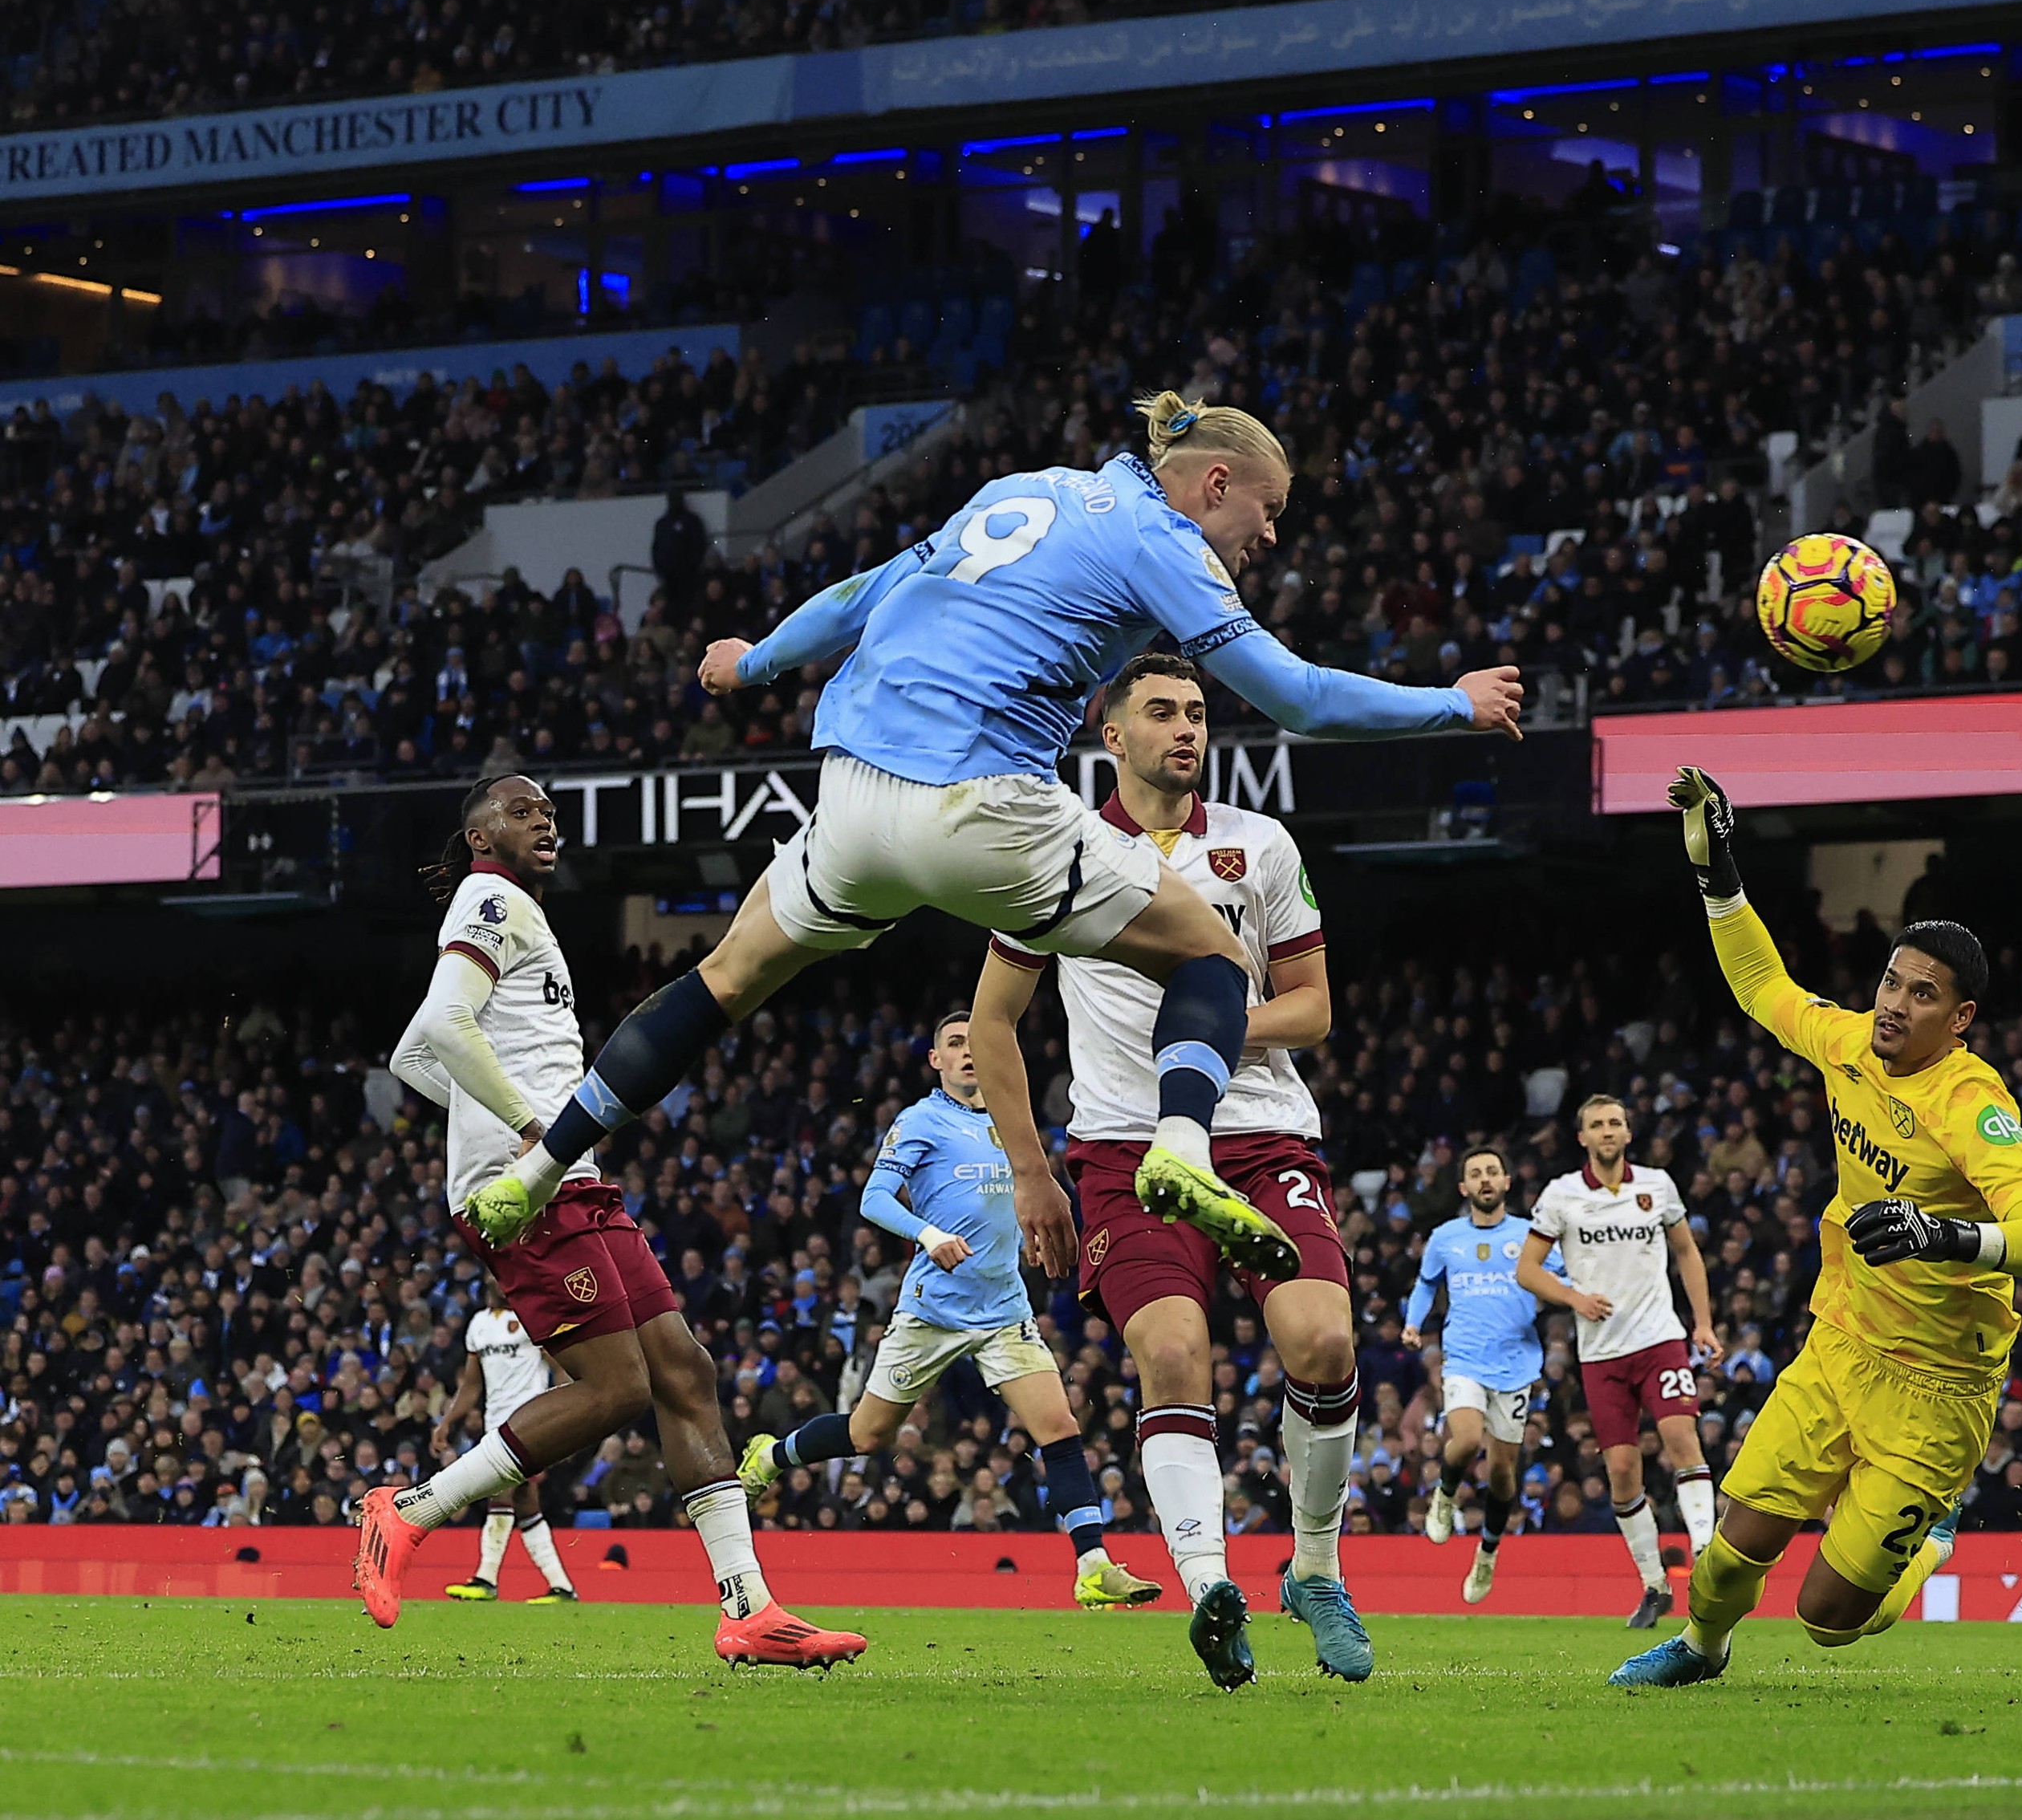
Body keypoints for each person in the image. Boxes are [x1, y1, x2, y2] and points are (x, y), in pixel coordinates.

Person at [465, 392, 1525, 1303]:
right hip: (977, 797)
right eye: (1268, 510)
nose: (1270, 535)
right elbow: (1293, 696)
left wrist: (756, 660)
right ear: (1212, 483)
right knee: (1208, 951)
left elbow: (872, 586)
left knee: (726, 975)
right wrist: (1449, 701)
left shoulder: (1037, 486)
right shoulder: (1159, 540)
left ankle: (543, 1165)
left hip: (852, 795)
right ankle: (1181, 1148)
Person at [374, 774, 863, 1669]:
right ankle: (411, 1511)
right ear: (480, 837)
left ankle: (750, 1610)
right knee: (617, 1389)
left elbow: (413, 1052)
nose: (545, 821)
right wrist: (528, 1133)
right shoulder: (488, 895)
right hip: (532, 1184)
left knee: (685, 1369)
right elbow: (444, 1024)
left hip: (570, 1179)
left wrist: (517, 1129)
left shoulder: (515, 910)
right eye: (523, 812)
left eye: (550, 811)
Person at [1614, 766, 2022, 1688]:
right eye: (1891, 983)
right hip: (1842, 1343)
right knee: (1729, 1552)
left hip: (1940, 1388)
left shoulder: (1969, 1100)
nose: (1897, 1006)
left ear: (1961, 1018)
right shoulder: (1849, 1042)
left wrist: (1945, 1237)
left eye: (1923, 994)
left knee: (1829, 1621)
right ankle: (1703, 1651)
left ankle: (1930, 1541)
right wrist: (1717, 872)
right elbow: (1760, 983)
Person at [968, 651, 1366, 1689]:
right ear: (1112, 733)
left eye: (1196, 712)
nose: (1185, 729)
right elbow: (991, 1022)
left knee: (1322, 1341)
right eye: (1161, 712)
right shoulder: (1054, 851)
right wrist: (1028, 1173)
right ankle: (1209, 1592)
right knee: (1174, 1355)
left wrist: (1197, 1040)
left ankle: (1313, 1569)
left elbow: (1312, 1006)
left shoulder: (1258, 846)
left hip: (1260, 1131)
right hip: (1117, 1151)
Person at [737, 1014, 1159, 1610]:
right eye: (954, 1045)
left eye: (973, 1042)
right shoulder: (920, 1120)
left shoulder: (1013, 1124)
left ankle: (1092, 1564)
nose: (966, 1053)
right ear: (935, 1060)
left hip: (1003, 1309)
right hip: (931, 1311)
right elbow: (874, 1198)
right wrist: (929, 1233)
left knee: (1060, 1428)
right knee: (867, 1434)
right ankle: (771, 1454)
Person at [1518, 1095, 1718, 1630]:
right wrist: (1571, 1297)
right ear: (1581, 1137)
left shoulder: (1656, 1185)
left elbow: (1686, 1252)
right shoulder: (1561, 1195)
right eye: (1596, 1124)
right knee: (1622, 1471)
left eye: (1615, 1123)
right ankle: (1654, 1585)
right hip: (1602, 1354)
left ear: (1628, 1133)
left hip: (1660, 1340)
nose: (1607, 1131)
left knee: (1681, 1438)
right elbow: (1527, 1269)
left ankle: (1707, 1555)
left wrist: (1701, 1322)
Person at [1404, 1145, 1553, 1603]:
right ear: (1464, 1187)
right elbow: (1427, 1283)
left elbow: (1563, 1277)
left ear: (1507, 1182)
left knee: (1504, 1472)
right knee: (1466, 1440)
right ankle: (1445, 1498)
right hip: (1465, 1357)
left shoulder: (1531, 1235)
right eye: (1476, 1173)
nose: (1486, 1179)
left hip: (1517, 1363)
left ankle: (1487, 1554)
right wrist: (1415, 1322)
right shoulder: (1446, 1237)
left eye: (1493, 1172)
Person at [436, 1287, 579, 1603]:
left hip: (532, 1422)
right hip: (495, 1427)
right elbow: (472, 1385)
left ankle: (486, 1578)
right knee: (526, 1504)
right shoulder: (478, 1325)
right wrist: (447, 1421)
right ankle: (562, 1586)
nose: (493, 1284)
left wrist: (568, 1417)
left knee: (501, 1490)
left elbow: (560, 1369)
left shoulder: (533, 1319)